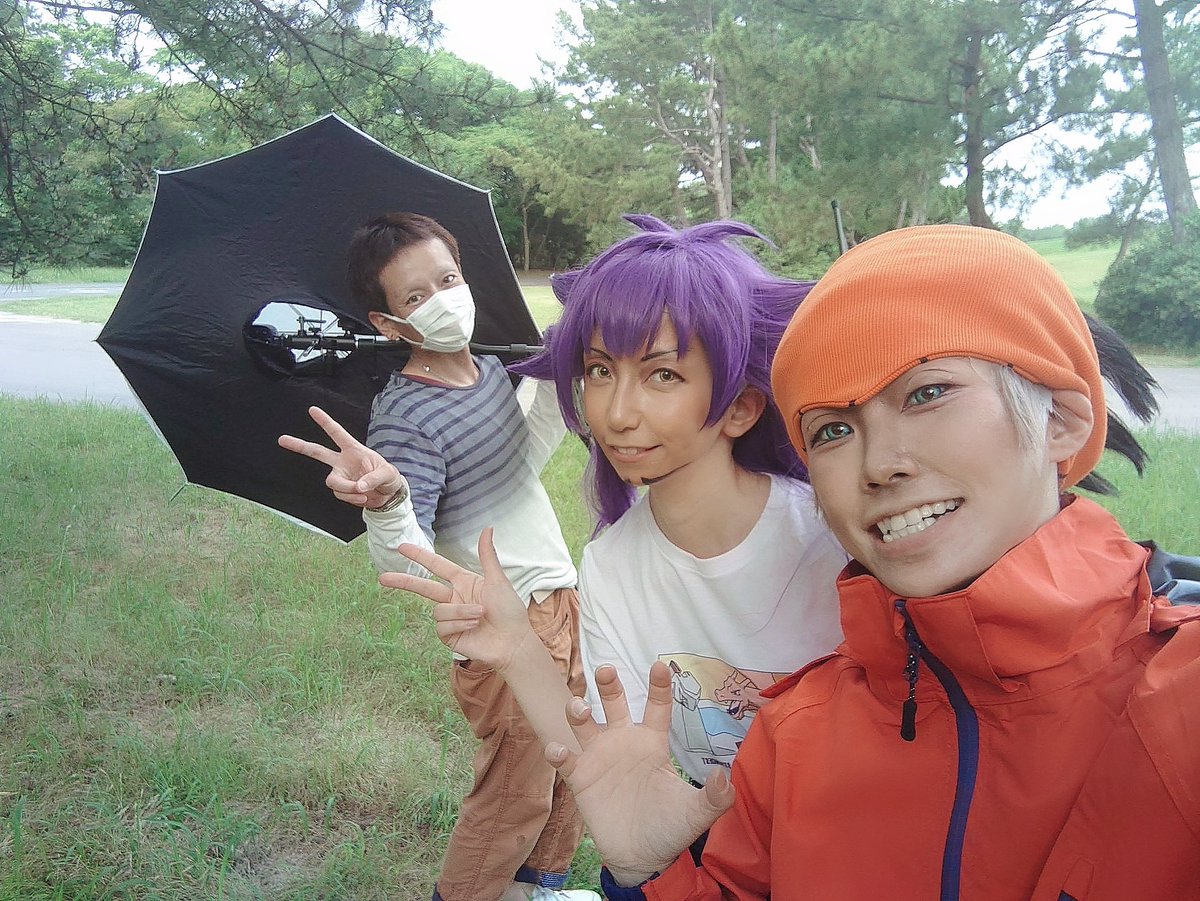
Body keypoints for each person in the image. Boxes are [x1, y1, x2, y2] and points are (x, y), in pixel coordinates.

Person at [533, 224, 1200, 901]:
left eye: (927, 393)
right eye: (832, 430)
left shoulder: (1179, 692)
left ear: (1060, 419)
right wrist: (648, 876)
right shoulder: (791, 739)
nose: (880, 464)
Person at [383, 215, 846, 789]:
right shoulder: (610, 567)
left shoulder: (836, 537)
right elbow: (624, 774)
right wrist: (517, 649)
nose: (617, 413)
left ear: (740, 407)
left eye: (663, 375)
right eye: (600, 370)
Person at [278, 212, 597, 901]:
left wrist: (551, 373)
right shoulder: (407, 419)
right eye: (416, 297)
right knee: (515, 792)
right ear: (389, 324)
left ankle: (539, 886)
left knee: (575, 761)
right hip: (505, 626)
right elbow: (405, 561)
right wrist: (390, 500)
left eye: (447, 280)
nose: (443, 300)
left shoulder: (488, 371)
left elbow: (519, 465)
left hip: (559, 600)